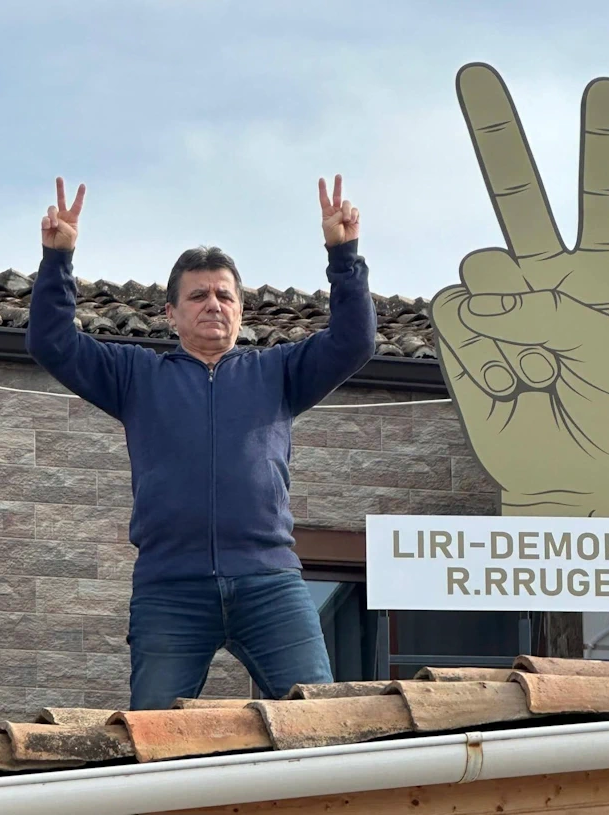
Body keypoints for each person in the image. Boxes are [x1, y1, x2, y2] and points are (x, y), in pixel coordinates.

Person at [26, 176, 377, 708]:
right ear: (171, 313)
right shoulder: (135, 375)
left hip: (269, 581)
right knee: (153, 737)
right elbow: (51, 342)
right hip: (171, 589)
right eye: (197, 295)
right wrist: (58, 260)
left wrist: (343, 256)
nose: (213, 304)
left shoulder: (279, 372)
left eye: (224, 295)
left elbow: (355, 341)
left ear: (240, 310)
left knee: (320, 724)